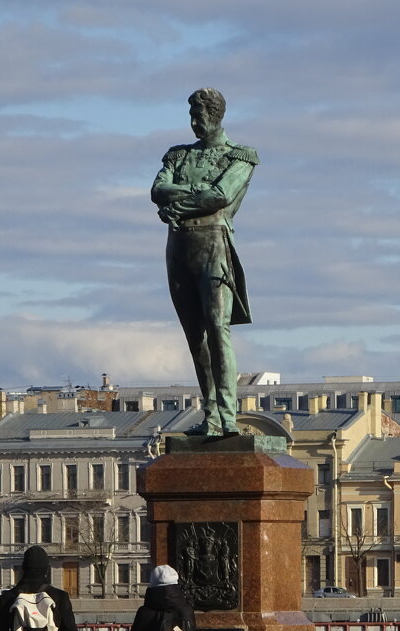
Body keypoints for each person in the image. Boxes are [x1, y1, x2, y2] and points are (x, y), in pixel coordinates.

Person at [152, 88, 259, 437]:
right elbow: (158, 190)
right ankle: (210, 412)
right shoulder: (177, 155)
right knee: (194, 337)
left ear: (215, 115)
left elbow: (222, 195)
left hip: (213, 245)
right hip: (179, 248)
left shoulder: (240, 157)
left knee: (217, 328)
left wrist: (178, 205)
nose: (193, 121)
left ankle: (227, 415)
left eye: (198, 114)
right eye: (191, 114)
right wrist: (197, 197)